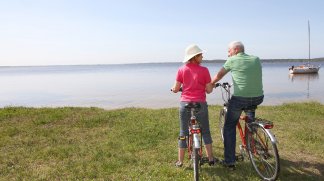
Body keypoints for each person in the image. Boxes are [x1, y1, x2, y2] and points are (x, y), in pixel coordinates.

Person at [211, 41, 264, 170]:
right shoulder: (256, 59)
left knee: (229, 126)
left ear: (235, 50)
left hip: (240, 99)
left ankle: (230, 161)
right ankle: (252, 144)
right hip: (258, 97)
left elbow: (219, 75)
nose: (228, 53)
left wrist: (211, 83)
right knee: (250, 121)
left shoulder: (232, 60)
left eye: (229, 51)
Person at [171, 44, 215, 167]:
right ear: (195, 57)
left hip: (185, 103)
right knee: (205, 131)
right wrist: (211, 86)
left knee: (183, 132)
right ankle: (211, 158)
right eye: (201, 55)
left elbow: (176, 88)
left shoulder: (181, 70)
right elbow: (209, 90)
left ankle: (180, 161)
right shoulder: (205, 70)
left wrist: (174, 90)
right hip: (200, 104)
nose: (203, 56)